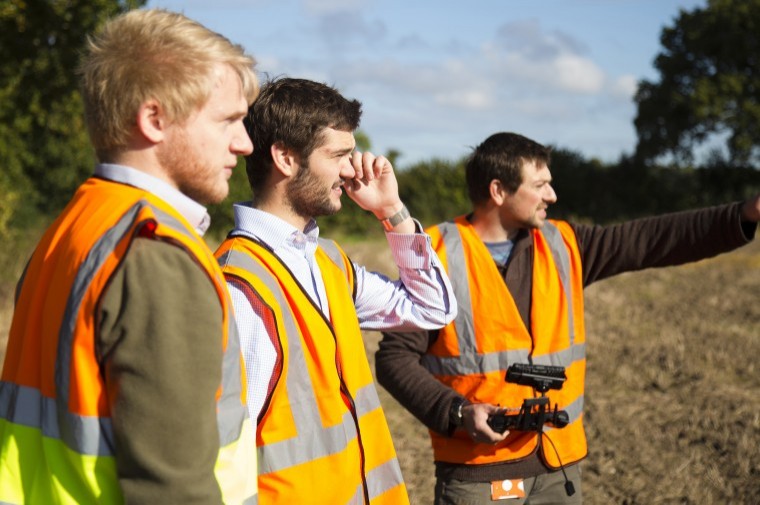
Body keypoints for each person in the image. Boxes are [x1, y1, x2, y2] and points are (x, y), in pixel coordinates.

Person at [375, 132, 760, 504]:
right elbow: (394, 359)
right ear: (498, 191)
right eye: (540, 185)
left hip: (559, 468)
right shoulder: (436, 256)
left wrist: (744, 214)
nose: (552, 196)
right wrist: (458, 412)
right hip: (477, 474)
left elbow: (654, 239)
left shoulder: (565, 244)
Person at [0, 9, 259, 504]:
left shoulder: (74, 226)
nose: (244, 143)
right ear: (154, 119)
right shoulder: (155, 254)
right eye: (228, 119)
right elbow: (173, 491)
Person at [214, 77, 457, 504]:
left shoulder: (328, 261)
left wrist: (390, 211)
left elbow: (431, 308)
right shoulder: (238, 287)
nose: (351, 169)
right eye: (340, 155)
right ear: (286, 158)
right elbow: (224, 458)